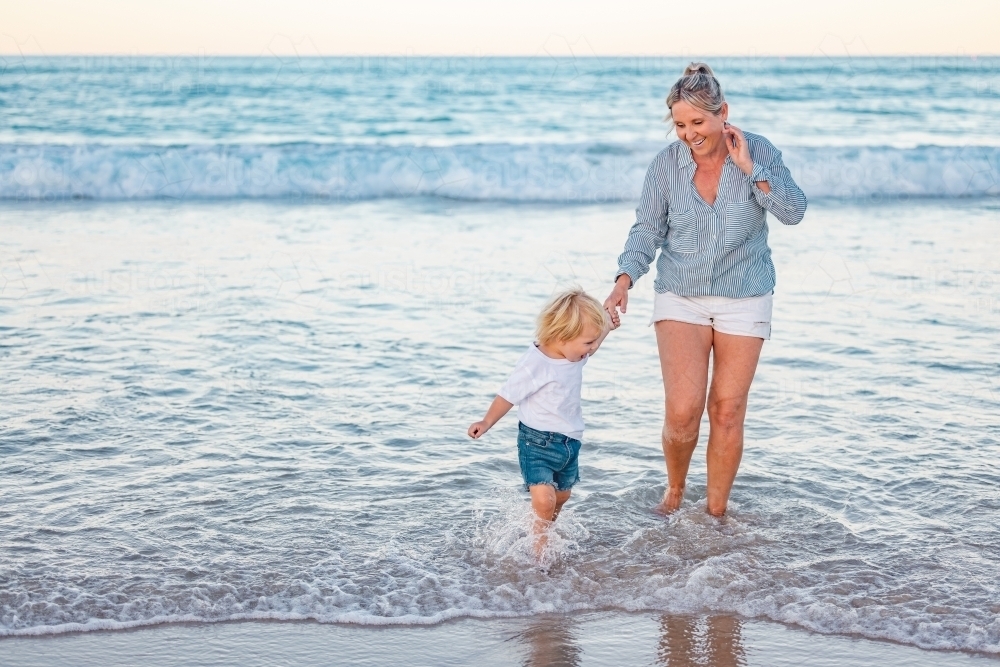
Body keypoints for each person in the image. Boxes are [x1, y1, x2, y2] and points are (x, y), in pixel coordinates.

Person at [604, 62, 807, 517]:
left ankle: (716, 514)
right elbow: (646, 230)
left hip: (746, 295)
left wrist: (751, 169)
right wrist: (624, 280)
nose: (689, 133)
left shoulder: (758, 151)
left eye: (698, 122)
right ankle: (675, 491)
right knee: (682, 412)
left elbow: (794, 211)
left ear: (722, 114)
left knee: (728, 411)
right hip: (681, 294)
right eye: (679, 124)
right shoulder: (666, 165)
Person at [468, 288, 609, 557]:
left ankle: (543, 528)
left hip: (570, 443)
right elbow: (508, 395)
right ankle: (539, 551)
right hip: (537, 443)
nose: (593, 349)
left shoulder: (573, 355)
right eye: (589, 343)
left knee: (562, 497)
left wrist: (607, 327)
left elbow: (593, 340)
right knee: (545, 501)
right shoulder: (535, 364)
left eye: (593, 342)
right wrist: (486, 422)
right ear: (561, 336)